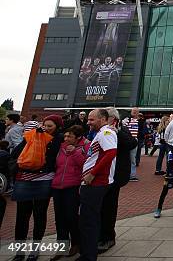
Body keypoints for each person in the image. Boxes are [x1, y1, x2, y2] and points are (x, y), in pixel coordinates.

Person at [11, 115, 64, 261]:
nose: (46, 128)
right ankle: (19, 251)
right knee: (22, 215)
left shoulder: (59, 139)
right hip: (24, 178)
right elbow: (16, 153)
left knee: (39, 214)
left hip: (44, 179)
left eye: (50, 126)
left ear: (58, 127)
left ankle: (35, 249)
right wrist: (33, 137)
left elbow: (57, 157)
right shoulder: (33, 135)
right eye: (45, 125)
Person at [79, 109, 117, 261]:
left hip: (96, 182)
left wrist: (92, 173)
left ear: (102, 119)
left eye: (91, 119)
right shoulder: (101, 133)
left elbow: (111, 153)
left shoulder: (106, 133)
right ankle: (88, 252)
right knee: (89, 218)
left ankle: (88, 255)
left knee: (89, 220)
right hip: (94, 181)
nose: (88, 122)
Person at [98, 107, 138, 253]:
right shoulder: (99, 130)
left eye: (103, 117)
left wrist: (118, 132)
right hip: (100, 175)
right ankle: (99, 234)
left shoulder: (122, 130)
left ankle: (108, 237)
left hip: (115, 176)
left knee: (108, 206)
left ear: (112, 119)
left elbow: (132, 143)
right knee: (99, 207)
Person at [50, 125, 89, 260]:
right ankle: (62, 245)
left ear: (77, 137)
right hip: (57, 186)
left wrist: (75, 152)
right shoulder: (60, 148)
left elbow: (85, 165)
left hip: (72, 186)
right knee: (59, 218)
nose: (66, 138)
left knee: (71, 216)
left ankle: (76, 243)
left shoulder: (83, 148)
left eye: (70, 136)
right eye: (65, 136)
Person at [153, 150, 173, 218]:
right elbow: (170, 164)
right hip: (171, 174)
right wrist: (170, 174)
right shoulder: (171, 152)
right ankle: (159, 209)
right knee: (164, 192)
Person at [122, 107, 141, 181]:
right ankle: (125, 174)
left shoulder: (140, 121)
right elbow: (123, 128)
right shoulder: (127, 119)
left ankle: (132, 175)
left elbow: (142, 130)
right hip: (127, 140)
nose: (134, 113)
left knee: (133, 158)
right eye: (133, 111)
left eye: (136, 111)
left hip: (134, 140)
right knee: (125, 157)